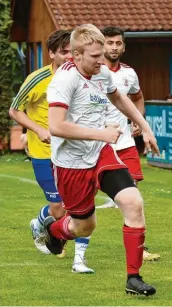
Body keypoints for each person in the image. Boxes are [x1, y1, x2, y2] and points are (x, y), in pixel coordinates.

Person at [45, 24, 159, 296]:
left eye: (102, 54)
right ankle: (56, 231)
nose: (102, 60)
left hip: (101, 153)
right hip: (71, 163)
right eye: (95, 56)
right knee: (85, 226)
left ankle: (133, 278)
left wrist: (144, 126)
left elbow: (118, 97)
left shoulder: (102, 72)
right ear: (75, 54)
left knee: (133, 202)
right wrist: (102, 133)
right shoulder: (64, 80)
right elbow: (56, 126)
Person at [9, 30, 94, 274]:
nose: (69, 56)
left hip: (75, 153)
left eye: (72, 52)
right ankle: (40, 221)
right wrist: (38, 129)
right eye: (64, 52)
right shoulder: (37, 80)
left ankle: (78, 256)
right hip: (44, 153)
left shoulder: (82, 78)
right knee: (58, 208)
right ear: (52, 54)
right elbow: (15, 111)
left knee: (78, 204)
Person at [95, 26, 160, 262]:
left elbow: (138, 96)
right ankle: (64, 234)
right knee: (83, 197)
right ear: (102, 45)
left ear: (124, 46)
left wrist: (138, 121)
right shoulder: (92, 72)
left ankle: (139, 247)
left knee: (135, 196)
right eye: (109, 43)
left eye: (118, 43)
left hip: (124, 144)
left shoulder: (129, 74)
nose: (114, 47)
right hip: (95, 145)